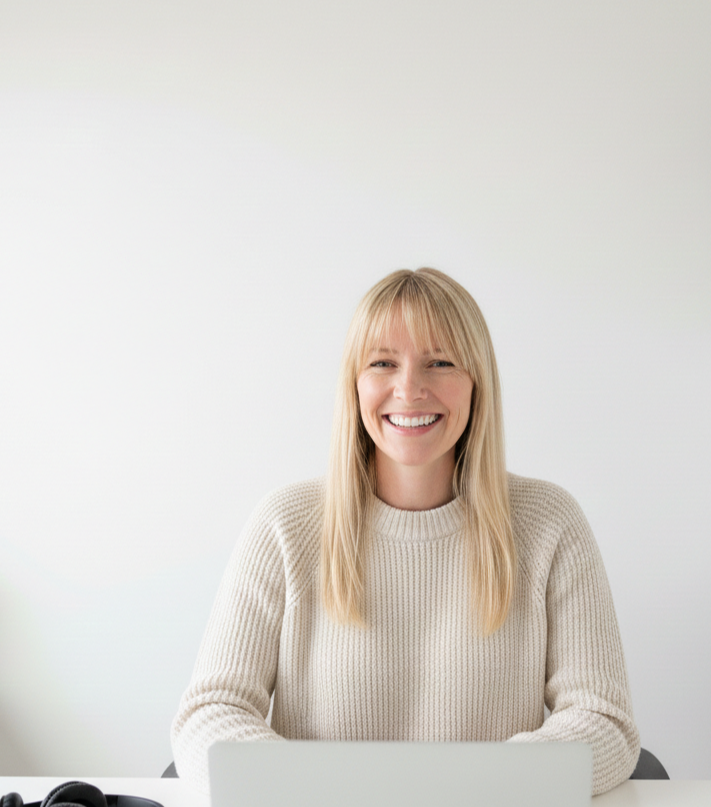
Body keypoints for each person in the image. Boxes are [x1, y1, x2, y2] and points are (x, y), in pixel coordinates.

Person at [170, 268, 639, 796]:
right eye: (382, 363)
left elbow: (605, 723)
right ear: (355, 384)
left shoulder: (550, 523)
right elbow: (209, 716)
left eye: (439, 362)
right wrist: (322, 792)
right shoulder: (284, 524)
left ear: (476, 381)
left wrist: (473, 789)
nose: (409, 388)